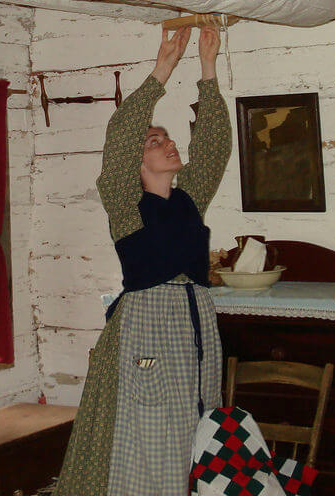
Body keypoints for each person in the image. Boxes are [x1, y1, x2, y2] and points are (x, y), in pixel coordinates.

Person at [55, 25, 231, 496]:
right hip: (148, 326)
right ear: (135, 162)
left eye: (168, 138)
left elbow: (213, 146)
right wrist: (162, 70)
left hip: (197, 323)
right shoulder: (125, 202)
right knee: (150, 432)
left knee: (200, 428)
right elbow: (119, 136)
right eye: (154, 141)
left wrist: (208, 69)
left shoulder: (189, 198)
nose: (168, 143)